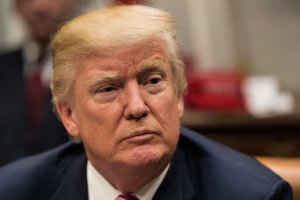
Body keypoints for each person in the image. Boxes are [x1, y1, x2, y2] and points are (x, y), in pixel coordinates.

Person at [0, 5, 292, 200]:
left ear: (178, 97)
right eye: (108, 88)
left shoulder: (252, 195)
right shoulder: (14, 191)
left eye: (152, 81)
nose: (137, 107)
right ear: (69, 115)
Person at [0, 0, 85, 165]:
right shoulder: (3, 67)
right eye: (28, 0)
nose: (40, 6)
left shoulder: (90, 68)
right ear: (16, 8)